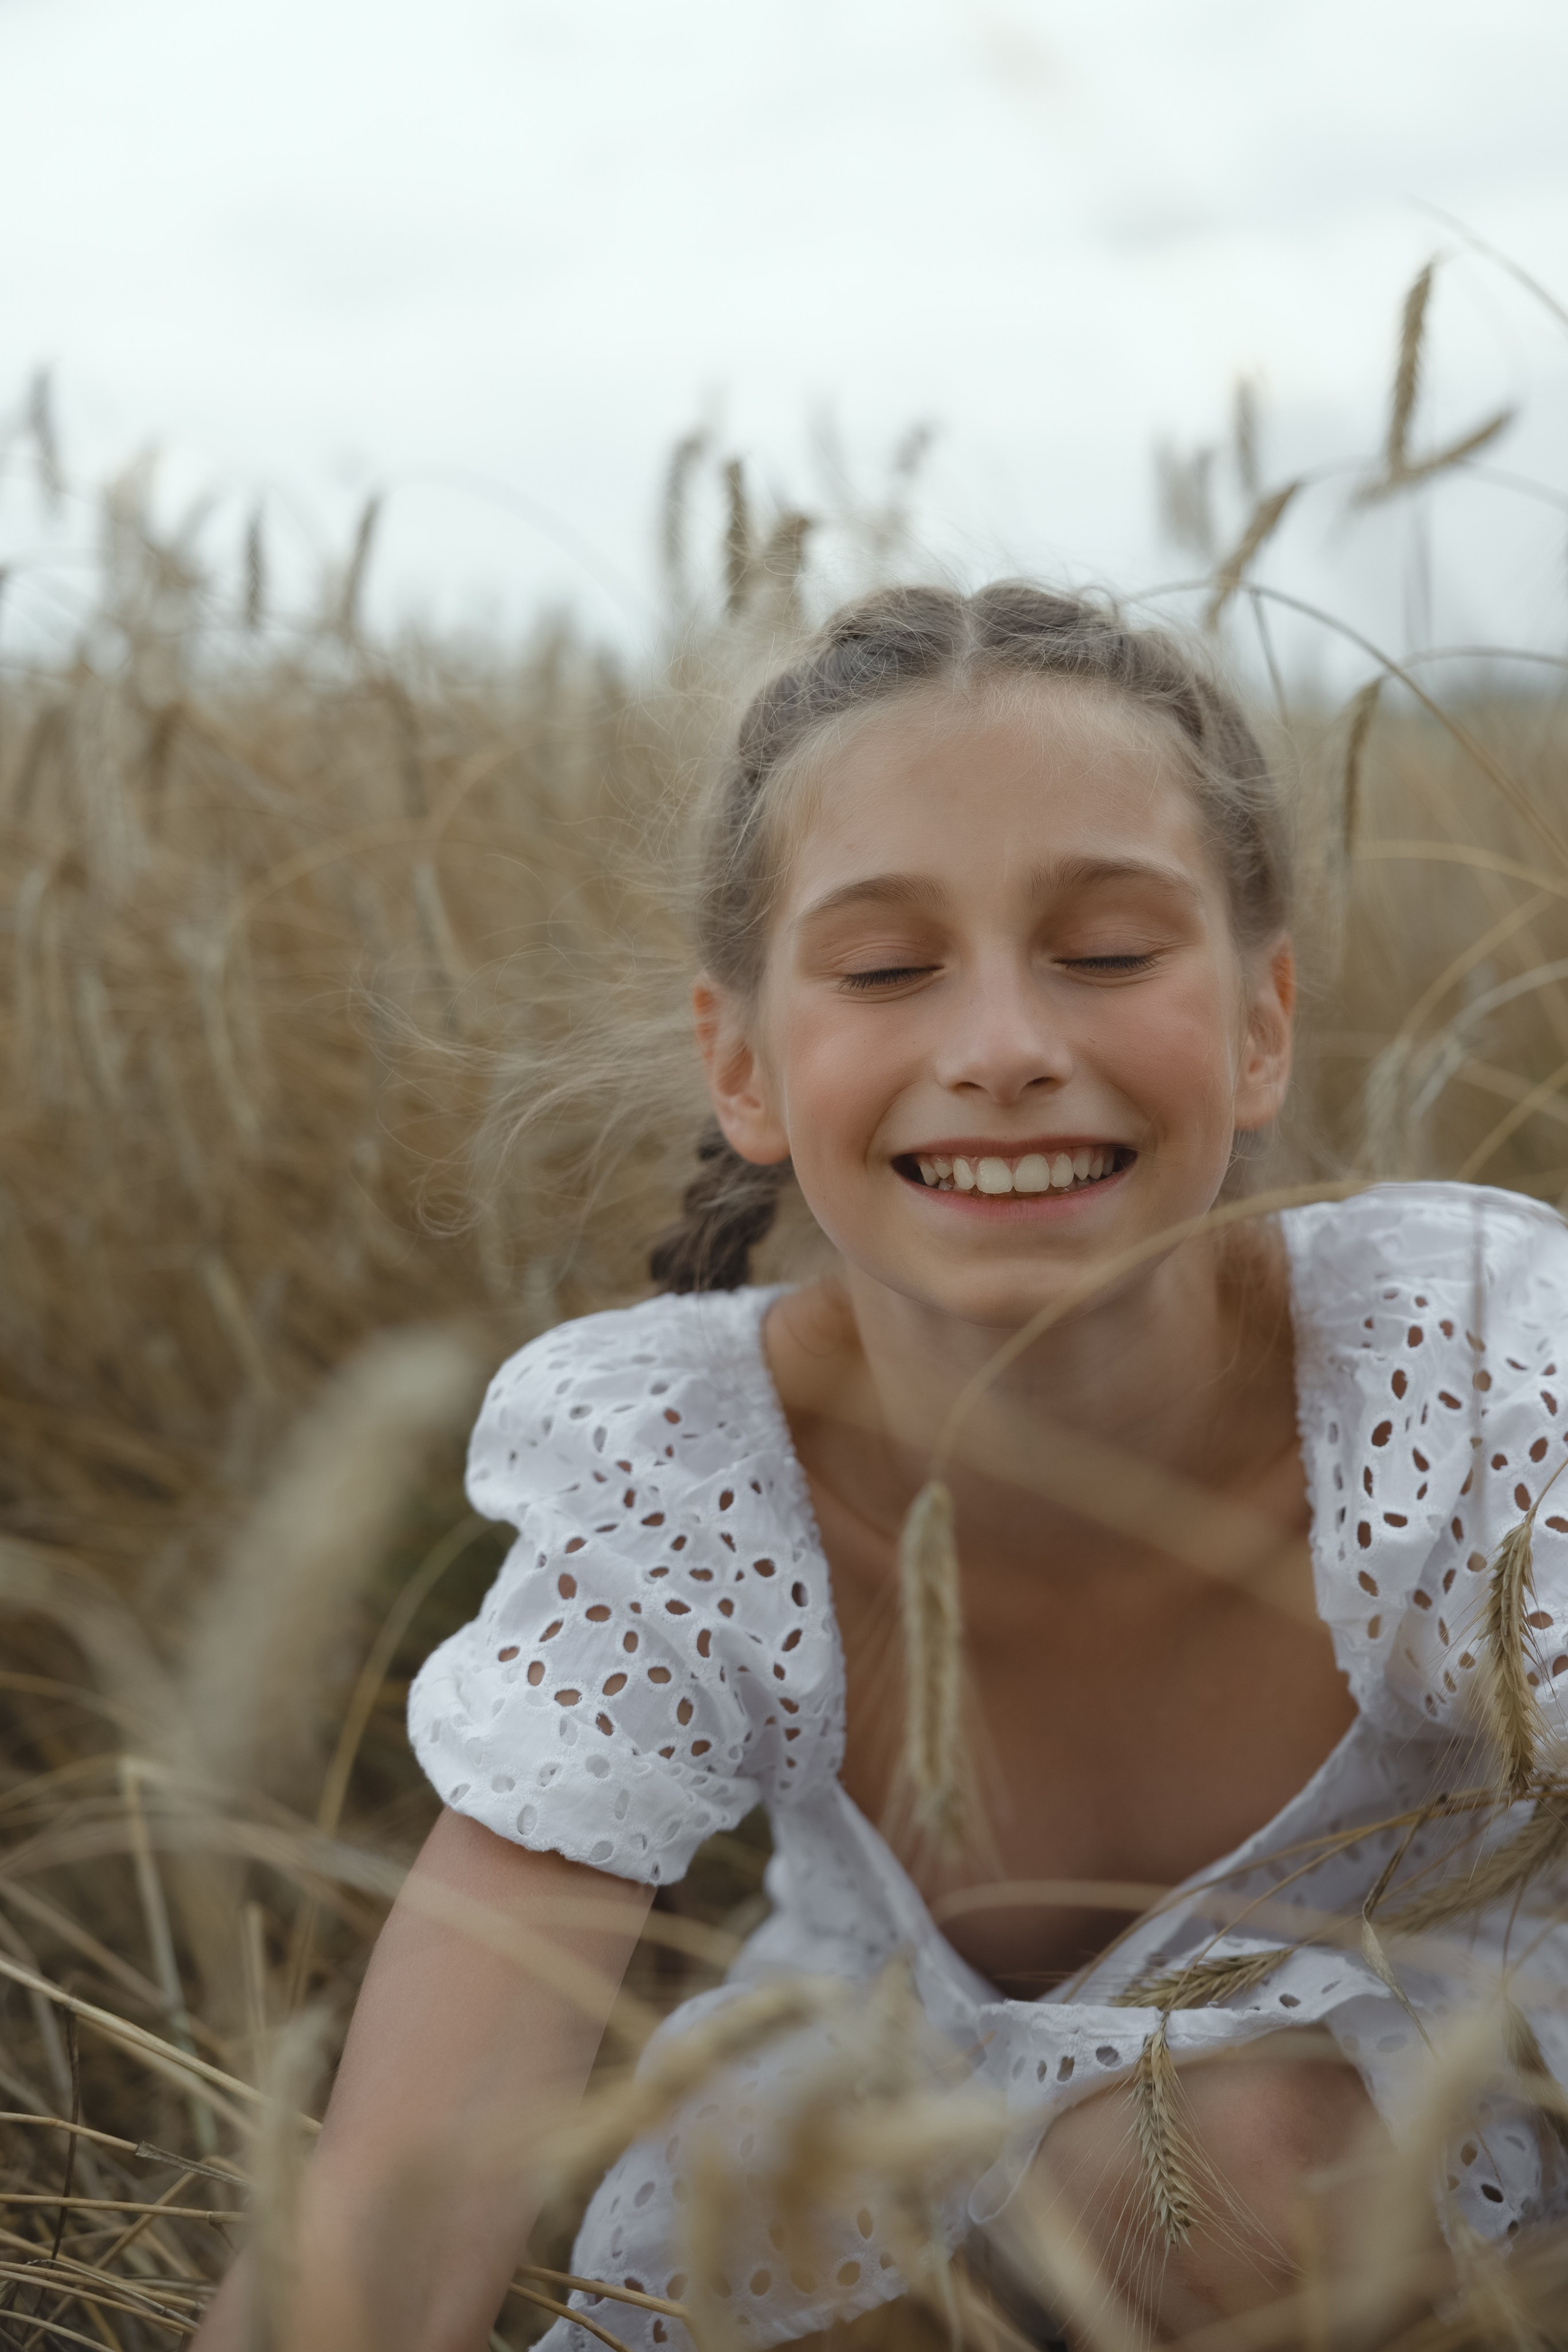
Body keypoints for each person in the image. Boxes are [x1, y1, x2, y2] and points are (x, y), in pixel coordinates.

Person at [196, 584, 1568, 2352]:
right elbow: (402, 2201)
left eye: (1108, 950)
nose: (1002, 1045)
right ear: (745, 1066)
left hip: (1421, 2178)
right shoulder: (677, 1477)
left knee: (1240, 2159)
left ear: (1259, 1023)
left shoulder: (1466, 1356)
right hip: (894, 2170)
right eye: (888, 967)